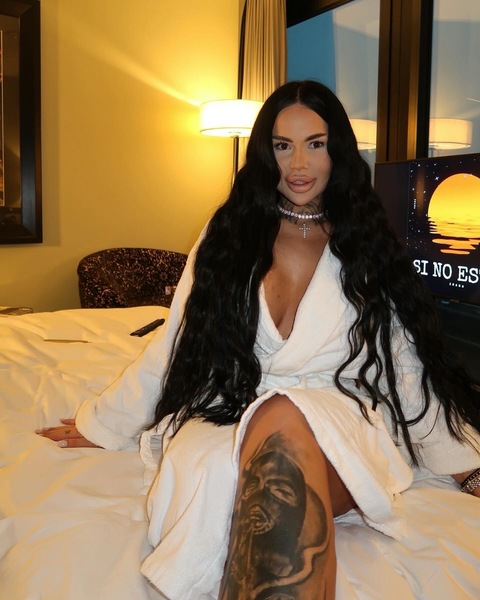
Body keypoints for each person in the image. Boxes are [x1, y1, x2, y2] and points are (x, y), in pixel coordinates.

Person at [38, 80, 480, 599]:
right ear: (265, 152)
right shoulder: (230, 231)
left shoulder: (366, 239)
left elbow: (402, 361)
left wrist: (463, 463)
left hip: (336, 411)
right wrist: (106, 422)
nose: (299, 164)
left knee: (284, 417)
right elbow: (177, 340)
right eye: (283, 145)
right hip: (232, 406)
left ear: (337, 150)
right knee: (257, 448)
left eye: (316, 144)